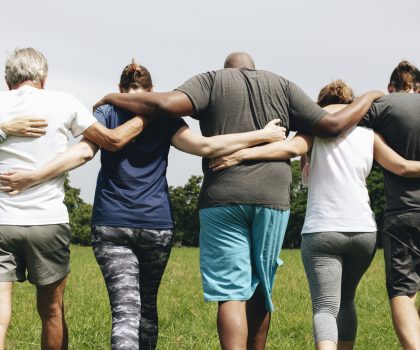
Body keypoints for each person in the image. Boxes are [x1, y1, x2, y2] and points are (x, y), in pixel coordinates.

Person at [89, 52, 383, 350]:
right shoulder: (283, 85)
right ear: (253, 69)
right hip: (272, 198)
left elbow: (166, 105)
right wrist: (370, 95)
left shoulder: (212, 80)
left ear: (227, 68)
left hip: (222, 197)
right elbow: (332, 125)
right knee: (260, 289)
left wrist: (112, 96)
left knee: (231, 293)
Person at [0, 59, 286, 350]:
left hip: (110, 223)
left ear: (120, 89)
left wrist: (34, 174)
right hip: (156, 225)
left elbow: (84, 151)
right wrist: (262, 136)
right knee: (146, 308)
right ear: (152, 90)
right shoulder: (166, 118)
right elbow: (206, 147)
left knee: (125, 311)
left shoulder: (106, 112)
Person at [209, 79, 420, 350]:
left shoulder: (315, 130)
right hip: (363, 231)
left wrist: (241, 155)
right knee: (346, 301)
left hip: (323, 228)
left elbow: (287, 149)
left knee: (325, 306)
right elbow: (401, 167)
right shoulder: (368, 134)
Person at [0, 48, 173, 350]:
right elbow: (112, 140)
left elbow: (95, 146)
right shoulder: (63, 101)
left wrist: (3, 130)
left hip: (2, 221)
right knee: (53, 312)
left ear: (7, 78)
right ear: (43, 77)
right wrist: (151, 112)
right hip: (47, 221)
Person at [359, 60, 420, 350]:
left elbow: (342, 123)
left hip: (404, 211)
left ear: (390, 87)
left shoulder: (383, 106)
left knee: (402, 292)